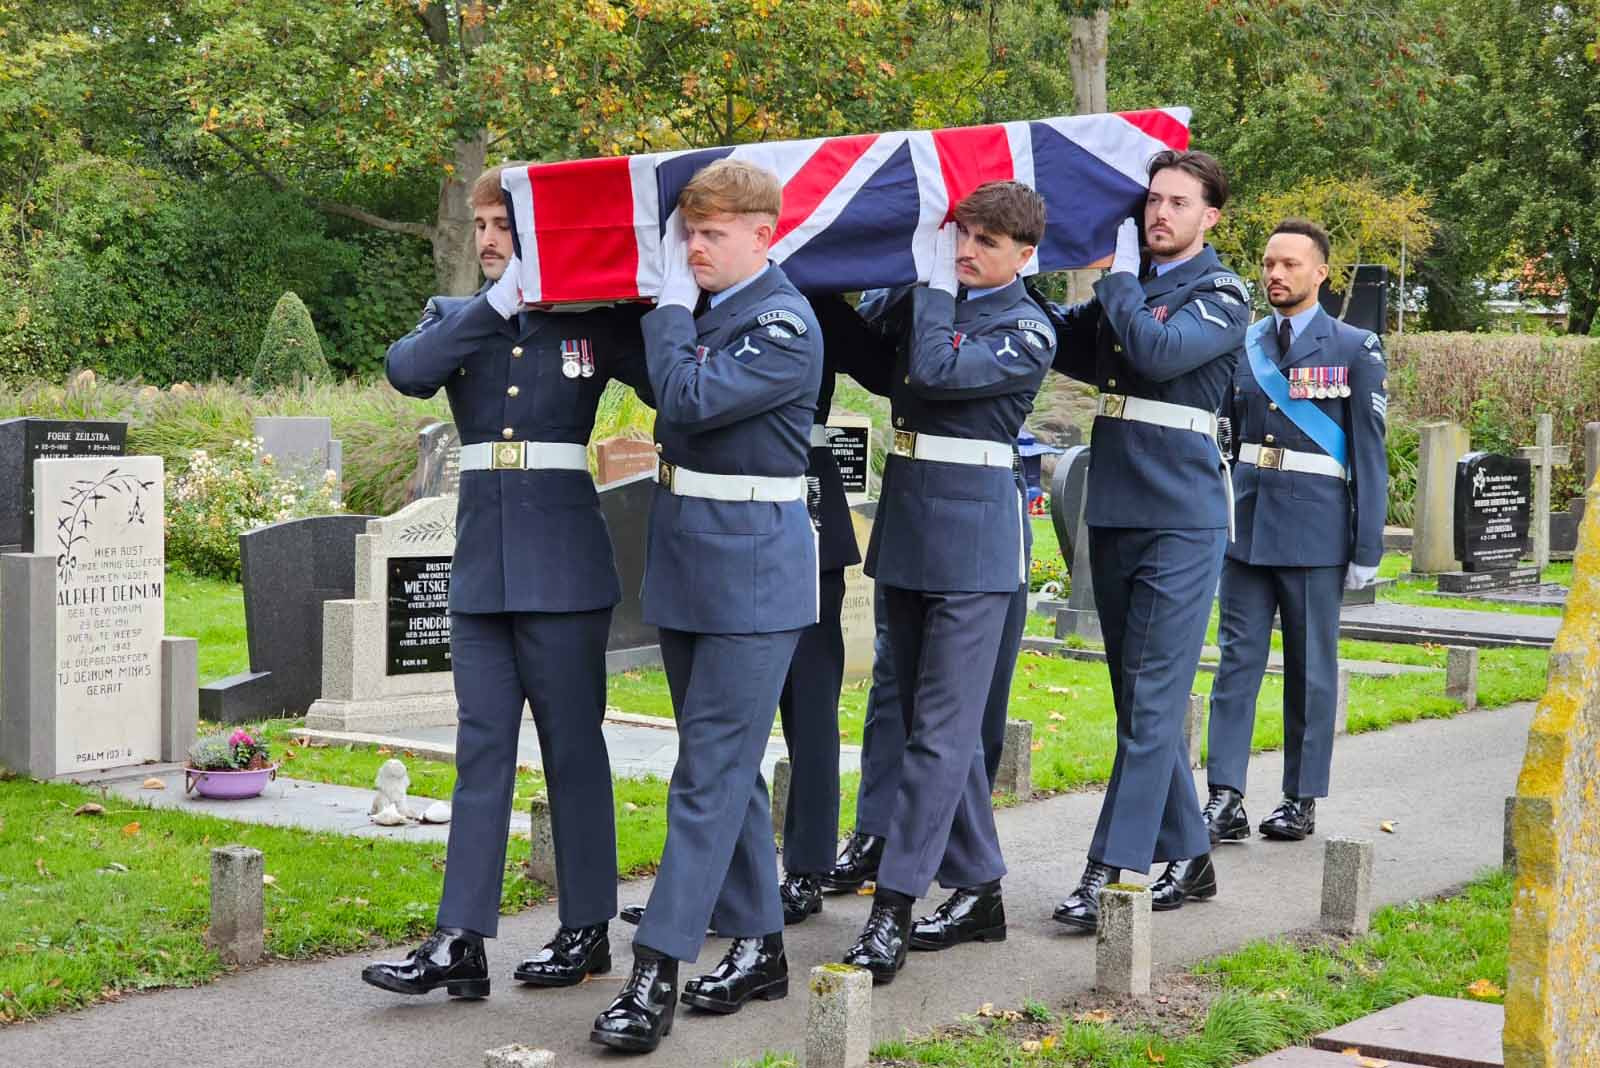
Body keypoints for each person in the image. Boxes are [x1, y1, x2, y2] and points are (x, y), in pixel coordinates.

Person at [363, 162, 649, 1000]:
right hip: (484, 570)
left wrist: (647, 302)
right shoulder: (459, 319)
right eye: (482, 225)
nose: (490, 239)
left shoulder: (591, 320)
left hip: (563, 568)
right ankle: (460, 938)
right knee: (480, 750)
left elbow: (672, 387)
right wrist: (496, 303)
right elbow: (408, 369)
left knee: (573, 750)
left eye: (506, 225)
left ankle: (588, 926)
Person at [590, 159, 823, 1053]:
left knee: (706, 777)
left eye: (715, 232)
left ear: (764, 233)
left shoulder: (781, 321)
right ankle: (761, 943)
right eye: (689, 231)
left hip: (755, 575)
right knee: (718, 767)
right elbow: (660, 383)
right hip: (691, 558)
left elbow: (685, 391)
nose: (694, 246)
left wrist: (669, 311)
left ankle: (656, 972)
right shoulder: (715, 312)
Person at [814, 180, 1055, 984]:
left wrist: (933, 292)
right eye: (961, 235)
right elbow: (871, 364)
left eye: (986, 241)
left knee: (943, 731)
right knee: (911, 713)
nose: (965, 250)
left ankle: (895, 906)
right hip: (912, 527)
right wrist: (821, 271)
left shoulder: (1028, 325)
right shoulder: (930, 298)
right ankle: (980, 883)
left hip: (977, 544)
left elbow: (939, 372)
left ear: (1025, 255)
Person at [1043, 149, 1249, 932]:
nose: (1158, 213)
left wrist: (1119, 277)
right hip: (1119, 506)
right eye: (1151, 200)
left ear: (1210, 217)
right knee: (1137, 700)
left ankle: (1109, 870)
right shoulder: (1135, 292)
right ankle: (1190, 856)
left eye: (1176, 203)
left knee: (1154, 699)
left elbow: (1160, 353)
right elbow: (1067, 345)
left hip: (1182, 517)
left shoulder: (1222, 293)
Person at [1203, 218, 1388, 844]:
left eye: (1290, 264)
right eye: (1268, 263)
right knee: (1236, 663)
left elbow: (1368, 451)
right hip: (1247, 526)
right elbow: (1224, 438)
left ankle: (1300, 799)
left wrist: (1366, 547)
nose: (1275, 274)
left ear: (1321, 272)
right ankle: (1224, 795)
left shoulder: (1353, 348)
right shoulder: (1243, 343)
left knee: (1311, 670)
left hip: (1315, 532)